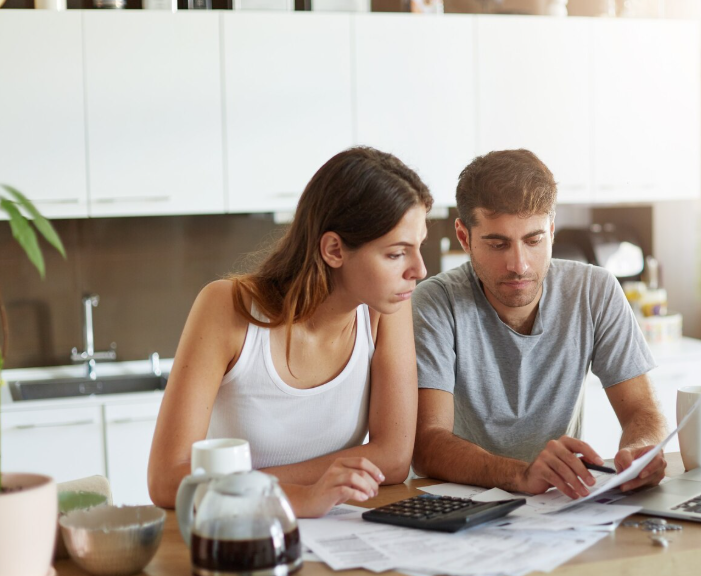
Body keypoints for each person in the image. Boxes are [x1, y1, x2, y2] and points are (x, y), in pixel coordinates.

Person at [148, 147, 432, 517]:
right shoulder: (227, 307)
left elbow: (392, 459)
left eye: (419, 247)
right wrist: (292, 497)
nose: (419, 270)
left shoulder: (385, 307)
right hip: (237, 533)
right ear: (334, 249)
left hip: (335, 530)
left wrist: (242, 485)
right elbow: (167, 479)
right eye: (396, 254)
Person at [412, 149, 667, 500]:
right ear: (464, 237)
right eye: (498, 244)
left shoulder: (594, 290)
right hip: (461, 502)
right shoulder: (435, 303)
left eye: (533, 241)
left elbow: (643, 412)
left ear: (551, 230)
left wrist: (642, 451)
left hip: (557, 503)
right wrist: (520, 474)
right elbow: (426, 444)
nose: (519, 265)